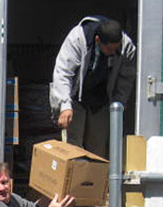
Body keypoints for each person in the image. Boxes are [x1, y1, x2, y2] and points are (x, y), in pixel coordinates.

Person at [50, 16, 136, 158]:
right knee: (73, 145)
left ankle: (94, 179)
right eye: (109, 49)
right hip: (76, 97)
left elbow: (126, 78)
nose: (113, 52)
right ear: (97, 40)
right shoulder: (77, 39)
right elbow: (63, 72)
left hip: (102, 100)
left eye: (116, 49)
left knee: (98, 148)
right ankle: (75, 177)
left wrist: (119, 103)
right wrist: (65, 105)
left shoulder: (126, 46)